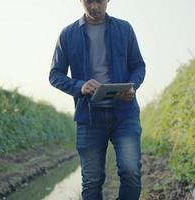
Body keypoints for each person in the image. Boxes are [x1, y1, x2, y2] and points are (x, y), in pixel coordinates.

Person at [49, 0, 146, 199]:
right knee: (92, 181)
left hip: (124, 114)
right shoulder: (68, 34)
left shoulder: (124, 29)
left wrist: (132, 87)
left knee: (131, 172)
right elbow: (55, 75)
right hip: (89, 117)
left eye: (99, 1)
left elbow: (138, 66)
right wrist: (79, 86)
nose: (94, 6)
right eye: (88, 1)